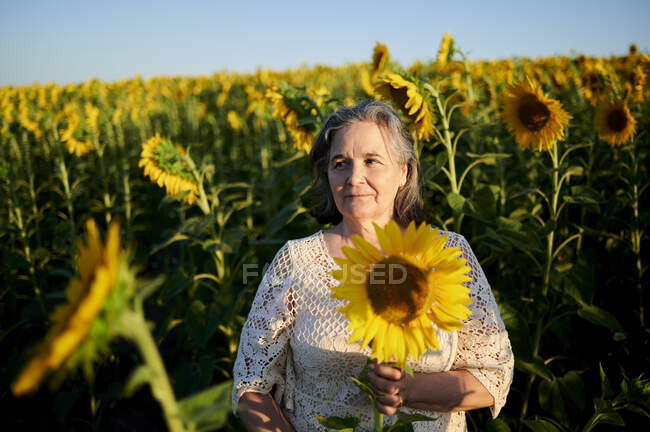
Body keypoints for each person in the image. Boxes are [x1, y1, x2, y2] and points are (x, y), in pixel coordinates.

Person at [232, 100, 514, 431]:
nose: (355, 177)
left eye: (371, 161)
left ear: (404, 171)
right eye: (340, 163)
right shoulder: (296, 260)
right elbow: (251, 385)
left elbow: (492, 376)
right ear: (328, 173)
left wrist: (408, 390)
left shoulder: (447, 253)